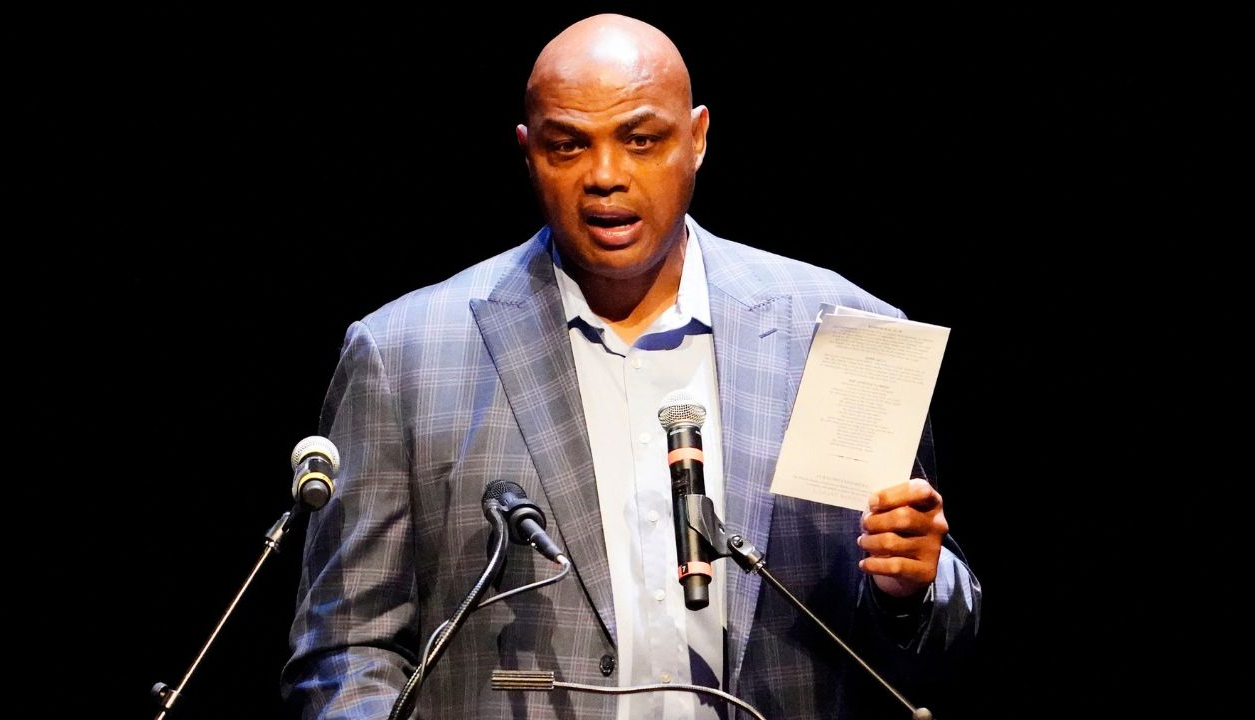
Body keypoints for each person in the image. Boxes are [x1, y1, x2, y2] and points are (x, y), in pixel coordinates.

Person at [282, 13, 980, 720]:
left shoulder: (842, 333)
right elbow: (345, 652)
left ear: (697, 138)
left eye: (641, 140)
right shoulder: (403, 356)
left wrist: (911, 589)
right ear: (527, 152)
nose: (606, 176)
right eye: (568, 146)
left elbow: (939, 634)